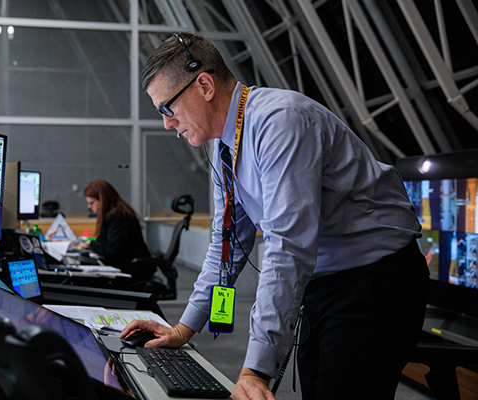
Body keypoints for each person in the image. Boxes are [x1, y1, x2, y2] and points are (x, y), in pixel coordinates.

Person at [121, 33, 429, 400]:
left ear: (203, 84)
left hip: (376, 279)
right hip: (325, 284)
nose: (167, 124)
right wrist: (184, 327)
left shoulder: (279, 121)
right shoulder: (222, 147)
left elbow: (288, 247)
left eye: (166, 109)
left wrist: (255, 371)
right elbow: (228, 243)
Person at [81, 180, 154, 280]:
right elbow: (106, 242)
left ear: (103, 200)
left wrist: (91, 244)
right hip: (128, 266)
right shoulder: (114, 214)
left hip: (133, 270)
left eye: (92, 203)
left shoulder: (118, 217)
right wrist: (91, 243)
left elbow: (111, 252)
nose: (89, 207)